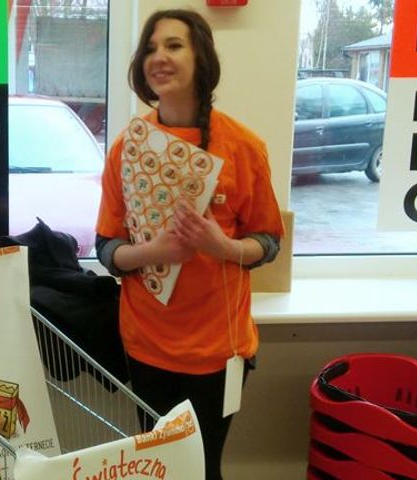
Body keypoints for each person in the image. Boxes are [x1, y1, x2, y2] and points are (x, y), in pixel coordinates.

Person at [95, 9, 283, 480]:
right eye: (150, 48)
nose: (159, 57)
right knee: (160, 470)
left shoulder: (243, 147)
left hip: (219, 350)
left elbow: (269, 241)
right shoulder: (126, 147)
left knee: (202, 470)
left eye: (174, 45)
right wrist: (154, 253)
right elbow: (107, 249)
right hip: (146, 346)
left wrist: (224, 247)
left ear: (202, 57)